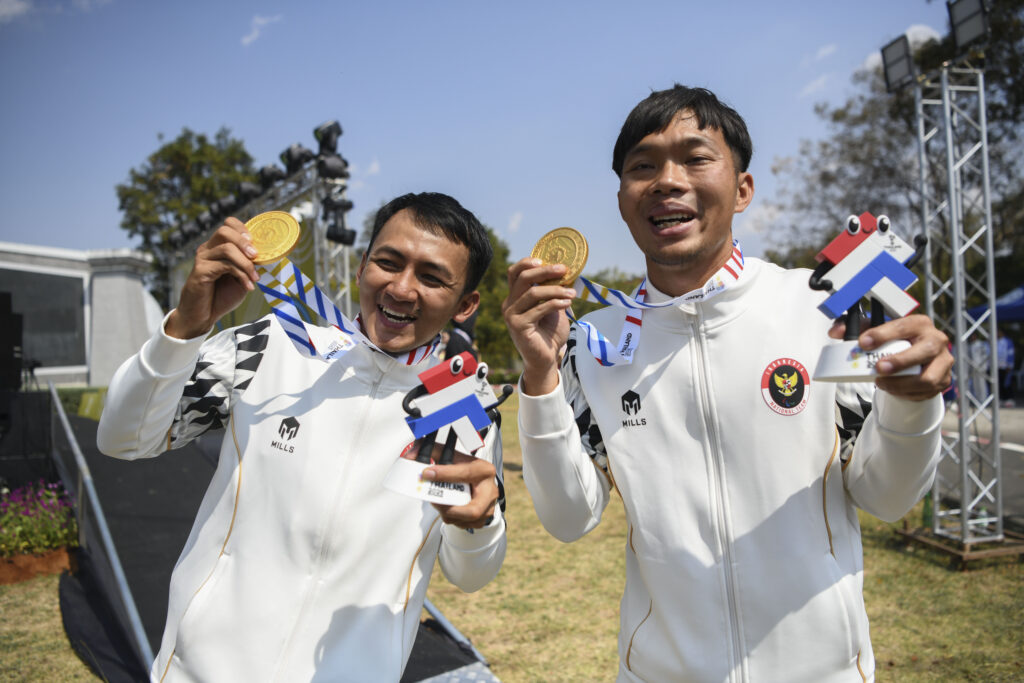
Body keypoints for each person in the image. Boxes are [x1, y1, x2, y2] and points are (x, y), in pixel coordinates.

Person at [502, 85, 953, 682]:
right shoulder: (593, 344)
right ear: (621, 199)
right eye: (643, 166)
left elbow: (887, 497)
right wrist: (539, 377)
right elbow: (568, 518)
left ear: (743, 189)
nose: (667, 180)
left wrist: (912, 406)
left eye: (695, 157)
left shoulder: (826, 311)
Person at [97, 192, 507, 682]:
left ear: (465, 305)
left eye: (432, 277)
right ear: (360, 266)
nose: (401, 288)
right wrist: (186, 326)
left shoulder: (462, 409)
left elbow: (471, 574)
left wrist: (478, 526)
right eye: (388, 262)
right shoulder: (272, 347)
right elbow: (123, 437)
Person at [997, 327, 1015, 405]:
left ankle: (1009, 398)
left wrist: (1009, 365)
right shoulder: (996, 342)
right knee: (999, 383)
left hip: (1006, 366)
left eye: (999, 332)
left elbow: (1010, 353)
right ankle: (1002, 398)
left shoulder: (1007, 342)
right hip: (998, 366)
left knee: (1006, 383)